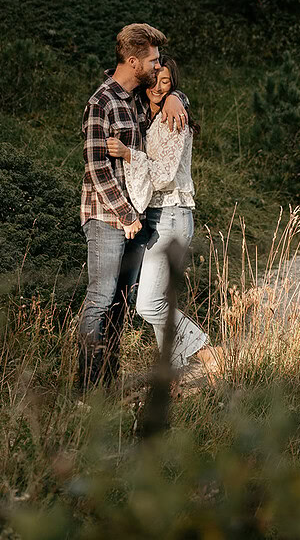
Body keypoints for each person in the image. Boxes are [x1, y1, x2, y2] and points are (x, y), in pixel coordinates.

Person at [78, 24, 188, 389]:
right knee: (100, 298)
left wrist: (177, 98)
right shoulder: (101, 103)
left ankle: (107, 384)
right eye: (153, 61)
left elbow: (166, 93)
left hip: (134, 221)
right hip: (107, 217)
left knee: (120, 303)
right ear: (132, 61)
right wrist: (125, 216)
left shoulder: (137, 97)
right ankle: (86, 388)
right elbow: (97, 168)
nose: (157, 66)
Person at [107, 55, 223, 383]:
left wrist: (129, 154)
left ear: (174, 85)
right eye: (155, 81)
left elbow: (163, 175)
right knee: (157, 300)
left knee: (148, 304)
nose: (159, 88)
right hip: (157, 217)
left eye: (167, 82)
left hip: (172, 214)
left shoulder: (174, 120)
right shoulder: (152, 114)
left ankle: (206, 351)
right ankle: (172, 379)